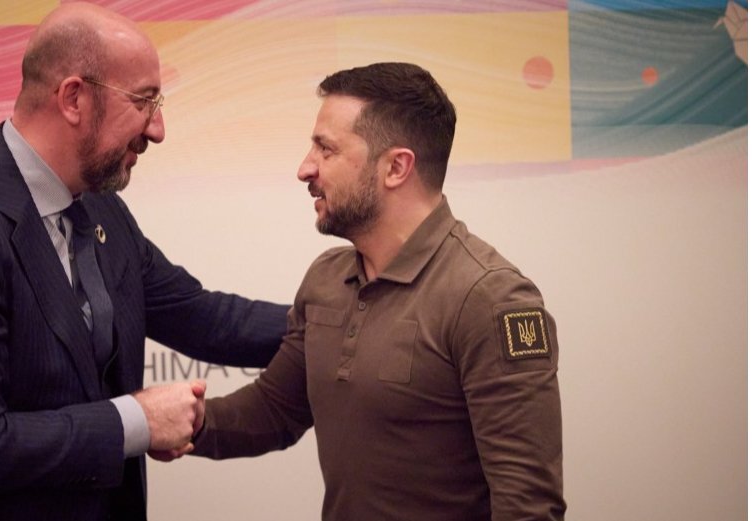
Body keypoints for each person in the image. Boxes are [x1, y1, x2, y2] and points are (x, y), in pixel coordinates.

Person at [0, 4, 288, 520]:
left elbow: (204, 317)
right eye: (144, 101)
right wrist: (135, 421)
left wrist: (347, 320)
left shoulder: (101, 208)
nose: (157, 129)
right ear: (74, 98)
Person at [187, 62, 565, 520]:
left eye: (326, 149)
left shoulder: (491, 299)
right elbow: (275, 410)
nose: (305, 168)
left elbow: (527, 506)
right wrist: (184, 422)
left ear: (396, 167)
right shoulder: (326, 279)